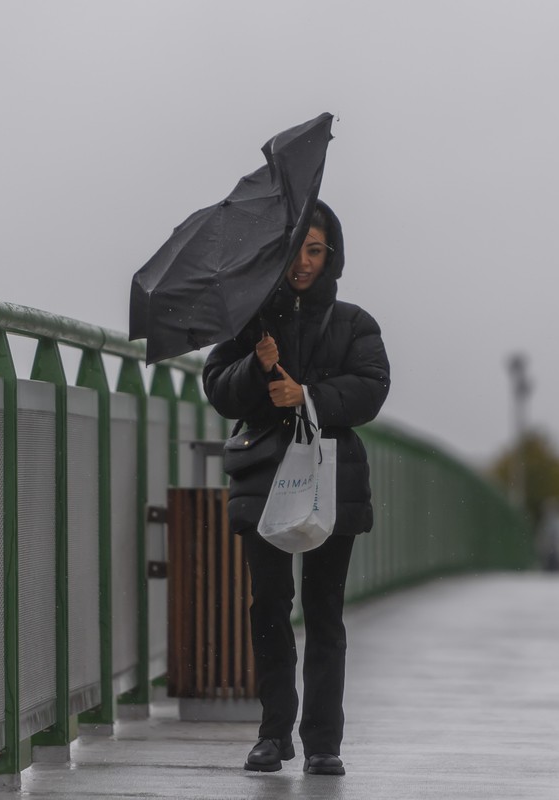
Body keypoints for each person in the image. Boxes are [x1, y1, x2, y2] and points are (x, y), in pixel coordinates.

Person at [202, 201, 390, 776]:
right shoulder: (250, 318)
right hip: (265, 476)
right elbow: (219, 389)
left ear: (330, 255)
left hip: (333, 477)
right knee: (269, 605)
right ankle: (273, 733)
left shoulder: (355, 323)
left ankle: (324, 742)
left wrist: (306, 395)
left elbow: (371, 389)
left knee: (325, 610)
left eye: (315, 251)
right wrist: (257, 369)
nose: (303, 263)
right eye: (296, 250)